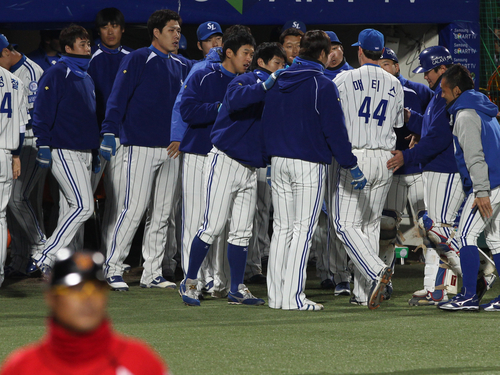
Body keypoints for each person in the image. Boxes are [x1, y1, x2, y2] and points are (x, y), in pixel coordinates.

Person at [262, 30, 365, 311]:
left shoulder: (279, 78)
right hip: (307, 164)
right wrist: (350, 164)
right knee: (302, 230)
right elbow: (334, 131)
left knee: (281, 229)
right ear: (321, 54)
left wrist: (268, 160)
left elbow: (266, 121)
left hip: (279, 162)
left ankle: (277, 297)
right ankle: (294, 297)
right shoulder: (322, 84)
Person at [180, 41, 283, 307]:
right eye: (277, 63)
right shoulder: (244, 81)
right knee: (211, 226)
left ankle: (236, 288)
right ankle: (190, 281)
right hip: (224, 160)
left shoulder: (275, 91)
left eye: (283, 65)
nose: (280, 69)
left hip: (250, 169)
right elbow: (235, 100)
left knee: (241, 232)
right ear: (263, 63)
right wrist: (264, 86)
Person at [101, 9, 193, 291]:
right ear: (156, 32)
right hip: (139, 146)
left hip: (172, 150)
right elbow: (118, 97)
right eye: (171, 30)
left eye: (178, 30)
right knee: (133, 209)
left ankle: (151, 272)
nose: (177, 35)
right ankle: (112, 268)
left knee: (163, 213)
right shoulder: (138, 57)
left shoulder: (182, 65)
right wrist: (109, 130)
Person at [0, 249, 170, 374]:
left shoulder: (140, 363)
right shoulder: (21, 368)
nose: (87, 298)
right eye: (75, 289)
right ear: (52, 298)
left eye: (95, 289)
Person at [386, 46, 464, 306]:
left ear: (442, 69)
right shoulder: (437, 96)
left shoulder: (447, 97)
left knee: (440, 231)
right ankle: (434, 288)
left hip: (447, 170)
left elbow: (437, 139)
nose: (425, 77)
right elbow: (430, 128)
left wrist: (406, 157)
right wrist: (411, 118)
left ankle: (470, 276)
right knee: (433, 231)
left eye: (428, 72)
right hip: (437, 169)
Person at [332, 28, 403, 309]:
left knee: (344, 224)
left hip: (356, 157)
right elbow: (398, 123)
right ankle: (362, 295)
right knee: (370, 226)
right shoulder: (395, 83)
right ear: (382, 53)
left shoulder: (343, 78)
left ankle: (376, 270)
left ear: (360, 51)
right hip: (384, 158)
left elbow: (332, 118)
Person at [31, 24, 100, 276]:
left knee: (71, 209)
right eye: (82, 44)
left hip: (84, 150)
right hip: (63, 149)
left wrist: (93, 151)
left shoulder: (87, 75)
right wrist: (44, 144)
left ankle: (63, 264)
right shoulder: (57, 72)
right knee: (83, 207)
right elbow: (41, 111)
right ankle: (44, 254)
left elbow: (89, 118)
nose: (88, 48)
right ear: (68, 47)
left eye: (89, 44)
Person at [436, 64, 500, 311]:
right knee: (496, 240)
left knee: (465, 235)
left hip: (488, 186)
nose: (442, 95)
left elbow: (475, 157)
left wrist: (482, 191)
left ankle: (469, 296)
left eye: (444, 90)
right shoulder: (485, 109)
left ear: (456, 90)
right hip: (497, 182)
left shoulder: (465, 115)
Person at [377, 47, 433, 300]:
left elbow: (436, 121)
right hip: (393, 169)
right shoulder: (374, 90)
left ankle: (433, 285)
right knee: (387, 227)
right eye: (379, 65)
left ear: (397, 66)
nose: (383, 69)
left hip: (418, 168)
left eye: (387, 64)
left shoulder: (419, 90)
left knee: (429, 227)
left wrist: (422, 133)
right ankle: (384, 280)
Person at [0, 34, 47, 277]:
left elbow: (34, 117)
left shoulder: (32, 71)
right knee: (13, 203)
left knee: (19, 199)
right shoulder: (6, 75)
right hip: (13, 144)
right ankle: (20, 258)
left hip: (31, 141)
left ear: (7, 52)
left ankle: (42, 249)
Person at [87, 8, 133, 257]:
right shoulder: (91, 57)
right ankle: (68, 257)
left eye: (115, 25)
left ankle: (109, 256)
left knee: (118, 200)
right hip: (95, 138)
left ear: (122, 29)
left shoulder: (132, 57)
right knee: (81, 201)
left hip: (122, 137)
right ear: (99, 30)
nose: (111, 31)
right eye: (106, 26)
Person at [0, 66, 27, 287]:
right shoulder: (14, 80)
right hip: (5, 154)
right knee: (0, 218)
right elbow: (20, 126)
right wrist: (16, 155)